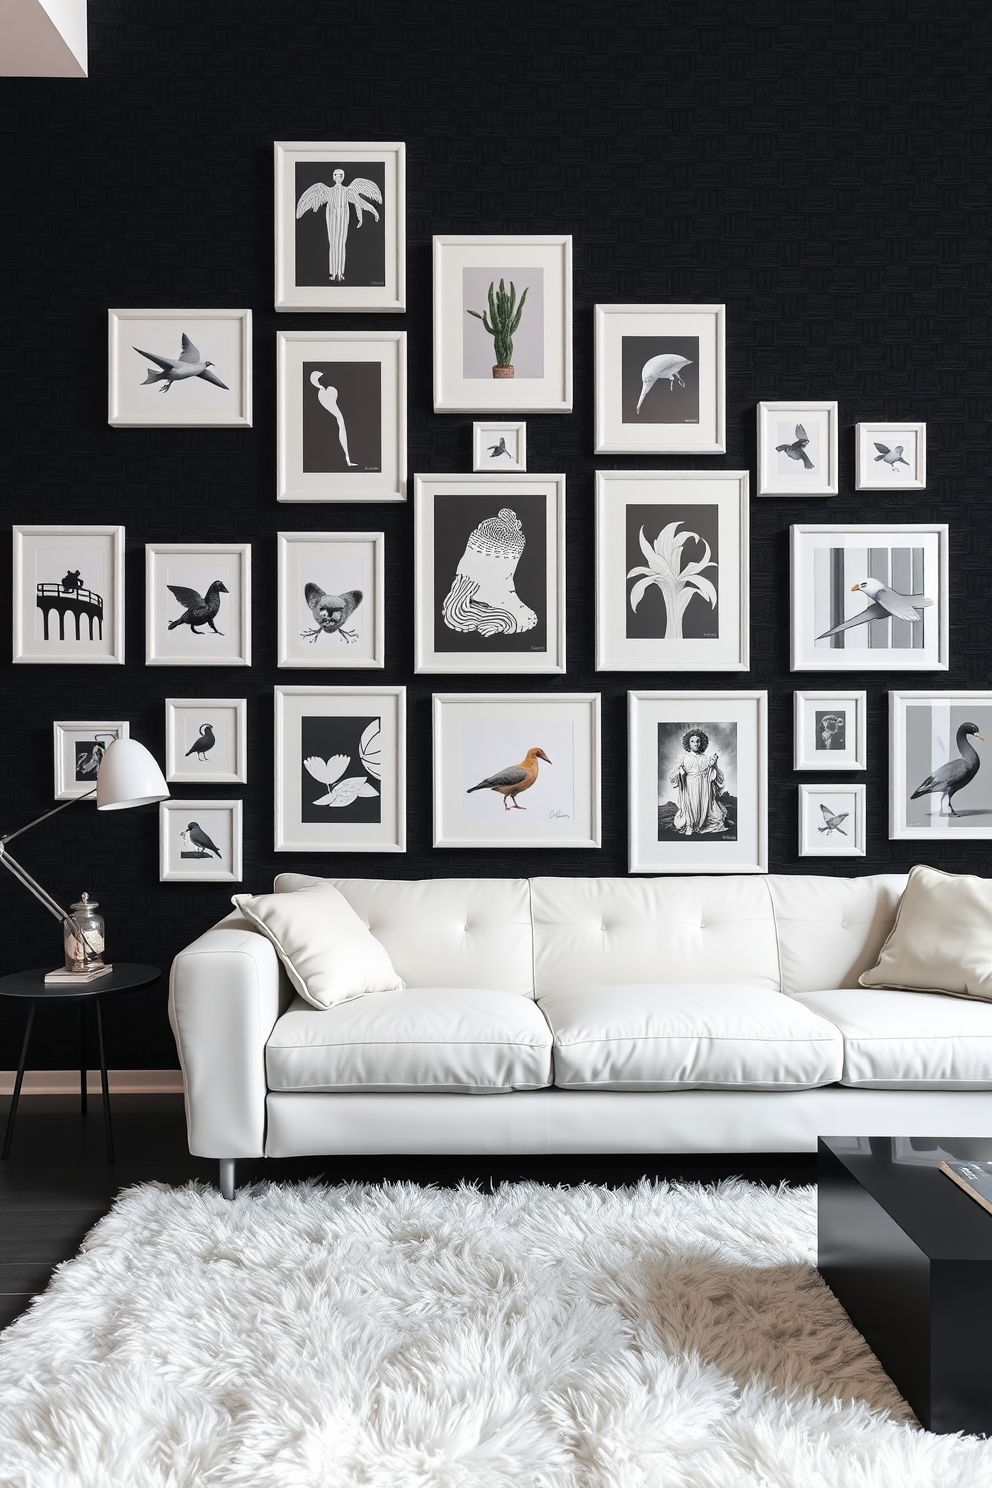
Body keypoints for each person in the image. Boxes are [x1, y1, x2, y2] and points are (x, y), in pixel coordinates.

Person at [669, 728, 728, 835]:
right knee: (691, 808)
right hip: (690, 787)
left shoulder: (705, 758)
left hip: (703, 788)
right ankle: (690, 825)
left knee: (710, 814)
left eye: (698, 741)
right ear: (688, 743)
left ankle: (702, 822)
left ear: (701, 743)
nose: (695, 744)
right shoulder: (683, 758)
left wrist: (714, 764)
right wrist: (680, 772)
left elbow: (714, 776)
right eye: (692, 741)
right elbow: (672, 776)